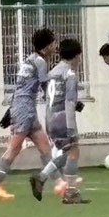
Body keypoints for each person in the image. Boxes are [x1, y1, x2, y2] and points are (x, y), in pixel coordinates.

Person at [0, 26, 57, 201]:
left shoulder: (30, 60)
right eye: (53, 43)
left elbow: (21, 87)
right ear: (47, 46)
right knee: (14, 148)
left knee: (45, 146)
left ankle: (60, 184)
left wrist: (12, 109)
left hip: (25, 108)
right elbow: (46, 87)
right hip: (24, 109)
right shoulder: (40, 62)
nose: (55, 47)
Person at [31, 37, 89, 205]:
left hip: (50, 118)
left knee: (66, 153)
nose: (79, 60)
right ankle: (70, 193)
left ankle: (41, 178)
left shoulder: (52, 73)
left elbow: (49, 96)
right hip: (63, 118)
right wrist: (71, 126)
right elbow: (69, 102)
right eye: (79, 56)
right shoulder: (70, 74)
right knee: (73, 151)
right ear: (76, 56)